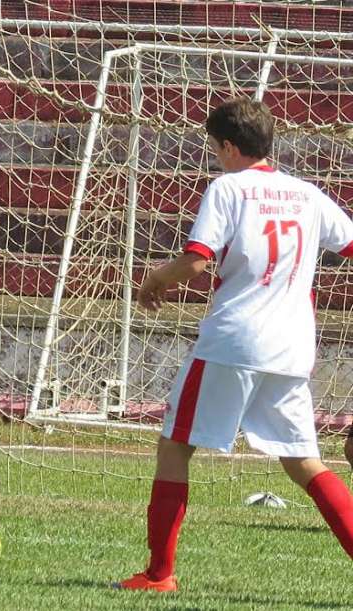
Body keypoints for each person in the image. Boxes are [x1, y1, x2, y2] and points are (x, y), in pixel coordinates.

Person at [117, 98, 353, 592]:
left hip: (235, 341)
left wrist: (156, 277)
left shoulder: (228, 188)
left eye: (215, 147)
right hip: (292, 346)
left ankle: (159, 575)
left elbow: (197, 260)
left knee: (175, 445)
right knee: (304, 462)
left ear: (228, 146)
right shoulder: (307, 194)